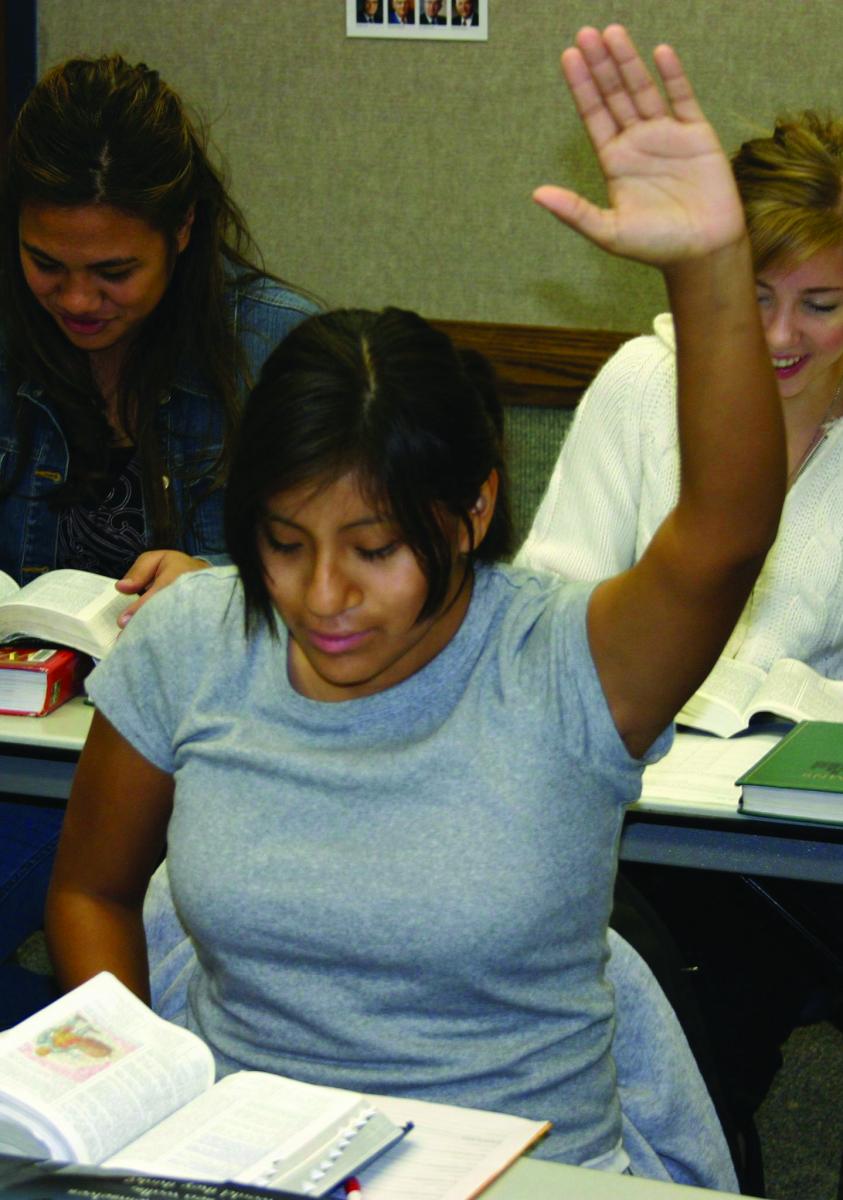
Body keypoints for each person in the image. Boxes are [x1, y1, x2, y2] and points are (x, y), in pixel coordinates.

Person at [45, 25, 784, 1184]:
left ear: (473, 510)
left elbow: (730, 527)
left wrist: (708, 271)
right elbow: (90, 888)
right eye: (283, 545)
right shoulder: (195, 638)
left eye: (376, 549)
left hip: (523, 1172)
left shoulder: (564, 660)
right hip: (246, 1162)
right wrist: (139, 1091)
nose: (322, 597)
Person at [516, 106, 843, 1144]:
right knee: (648, 995)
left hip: (800, 848)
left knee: (716, 992)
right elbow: (550, 611)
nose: (782, 337)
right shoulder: (643, 384)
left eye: (823, 304)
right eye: (753, 298)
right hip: (630, 817)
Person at [0, 53, 316, 1013]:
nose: (78, 300)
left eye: (113, 272)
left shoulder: (279, 353)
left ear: (182, 232)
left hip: (193, 772)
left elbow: (365, 600)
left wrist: (221, 589)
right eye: (45, 264)